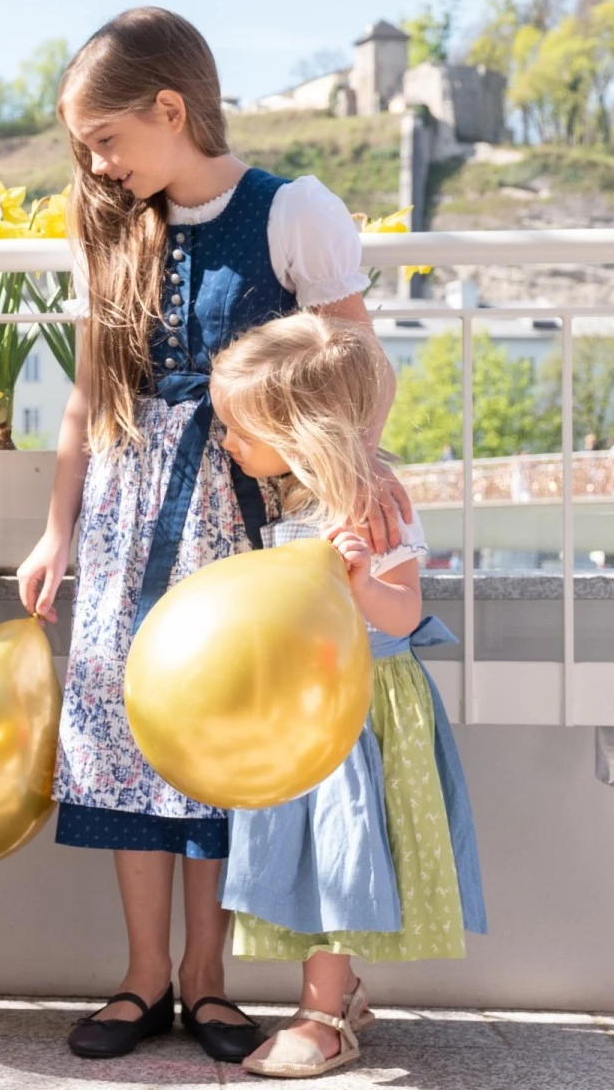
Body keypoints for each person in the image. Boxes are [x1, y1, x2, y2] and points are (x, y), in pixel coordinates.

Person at [14, 7, 410, 1064]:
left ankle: (209, 977)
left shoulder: (291, 212)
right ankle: (143, 976)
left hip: (240, 516)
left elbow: (356, 370)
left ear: (171, 110)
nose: (96, 163)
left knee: (216, 729)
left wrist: (344, 486)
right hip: (125, 512)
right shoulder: (113, 226)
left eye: (106, 138)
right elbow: (85, 400)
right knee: (128, 731)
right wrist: (56, 530)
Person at [208, 314, 486, 1079]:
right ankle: (333, 996)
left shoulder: (371, 504)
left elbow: (403, 612)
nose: (228, 440)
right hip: (304, 711)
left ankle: (325, 1016)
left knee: (338, 858)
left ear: (302, 431)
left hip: (358, 714)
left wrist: (363, 582)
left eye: (240, 427)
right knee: (309, 860)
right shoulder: (294, 501)